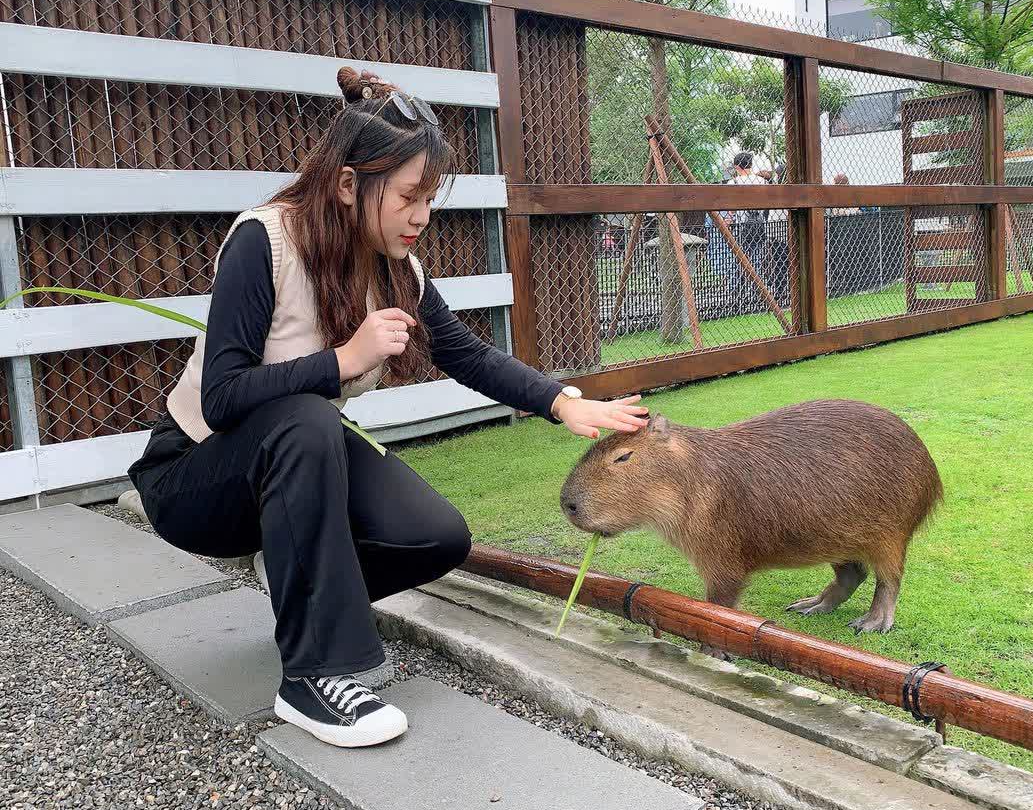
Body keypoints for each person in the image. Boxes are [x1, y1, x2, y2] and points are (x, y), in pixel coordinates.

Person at [126, 67, 649, 750]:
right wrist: (343, 358)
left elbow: (466, 353)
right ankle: (315, 675)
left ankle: (294, 579)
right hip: (194, 476)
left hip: (293, 458)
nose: (421, 216)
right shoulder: (264, 241)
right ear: (349, 184)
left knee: (435, 536)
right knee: (309, 415)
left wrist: (563, 403)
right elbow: (222, 398)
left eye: (429, 198)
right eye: (408, 196)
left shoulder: (396, 270)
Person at [709, 151, 770, 309]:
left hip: (741, 226)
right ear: (750, 164)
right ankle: (757, 292)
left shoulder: (733, 183)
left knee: (737, 260)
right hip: (758, 225)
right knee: (756, 260)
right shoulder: (762, 182)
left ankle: (735, 293)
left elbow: (731, 208)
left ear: (737, 166)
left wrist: (728, 220)